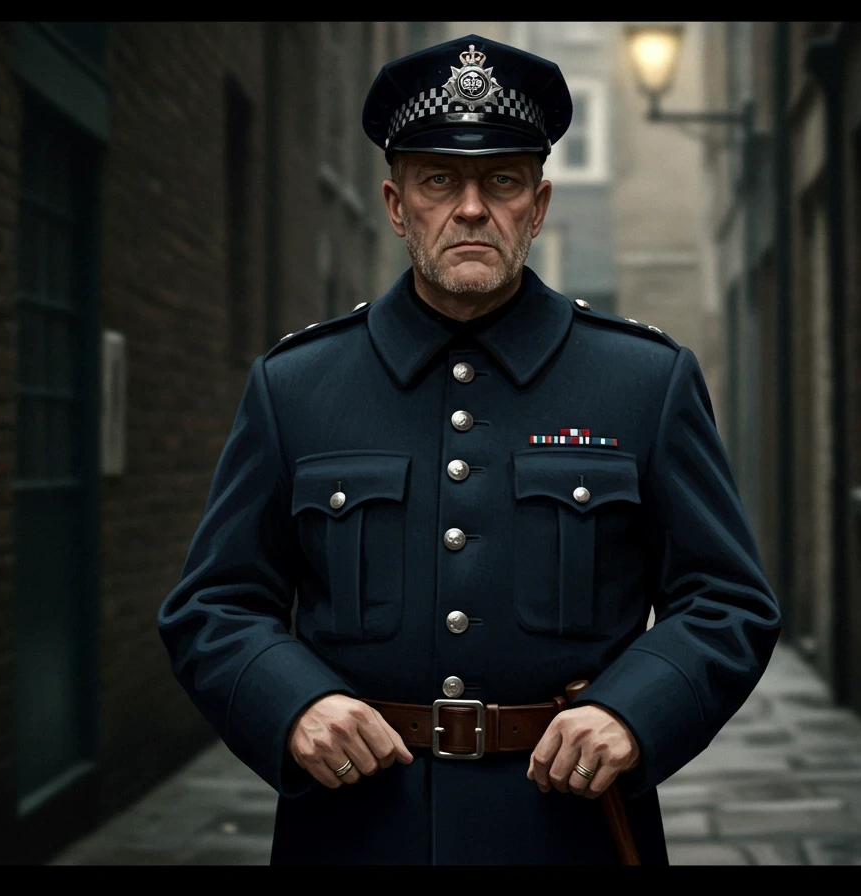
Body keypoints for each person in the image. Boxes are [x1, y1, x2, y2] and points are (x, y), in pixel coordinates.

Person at [157, 32, 780, 866]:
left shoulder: (642, 382)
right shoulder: (296, 386)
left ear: (541, 203)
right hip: (353, 829)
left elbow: (728, 600)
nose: (473, 207)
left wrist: (633, 711)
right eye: (440, 180)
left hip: (567, 830)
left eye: (504, 180)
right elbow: (214, 605)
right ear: (394, 203)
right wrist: (293, 704)